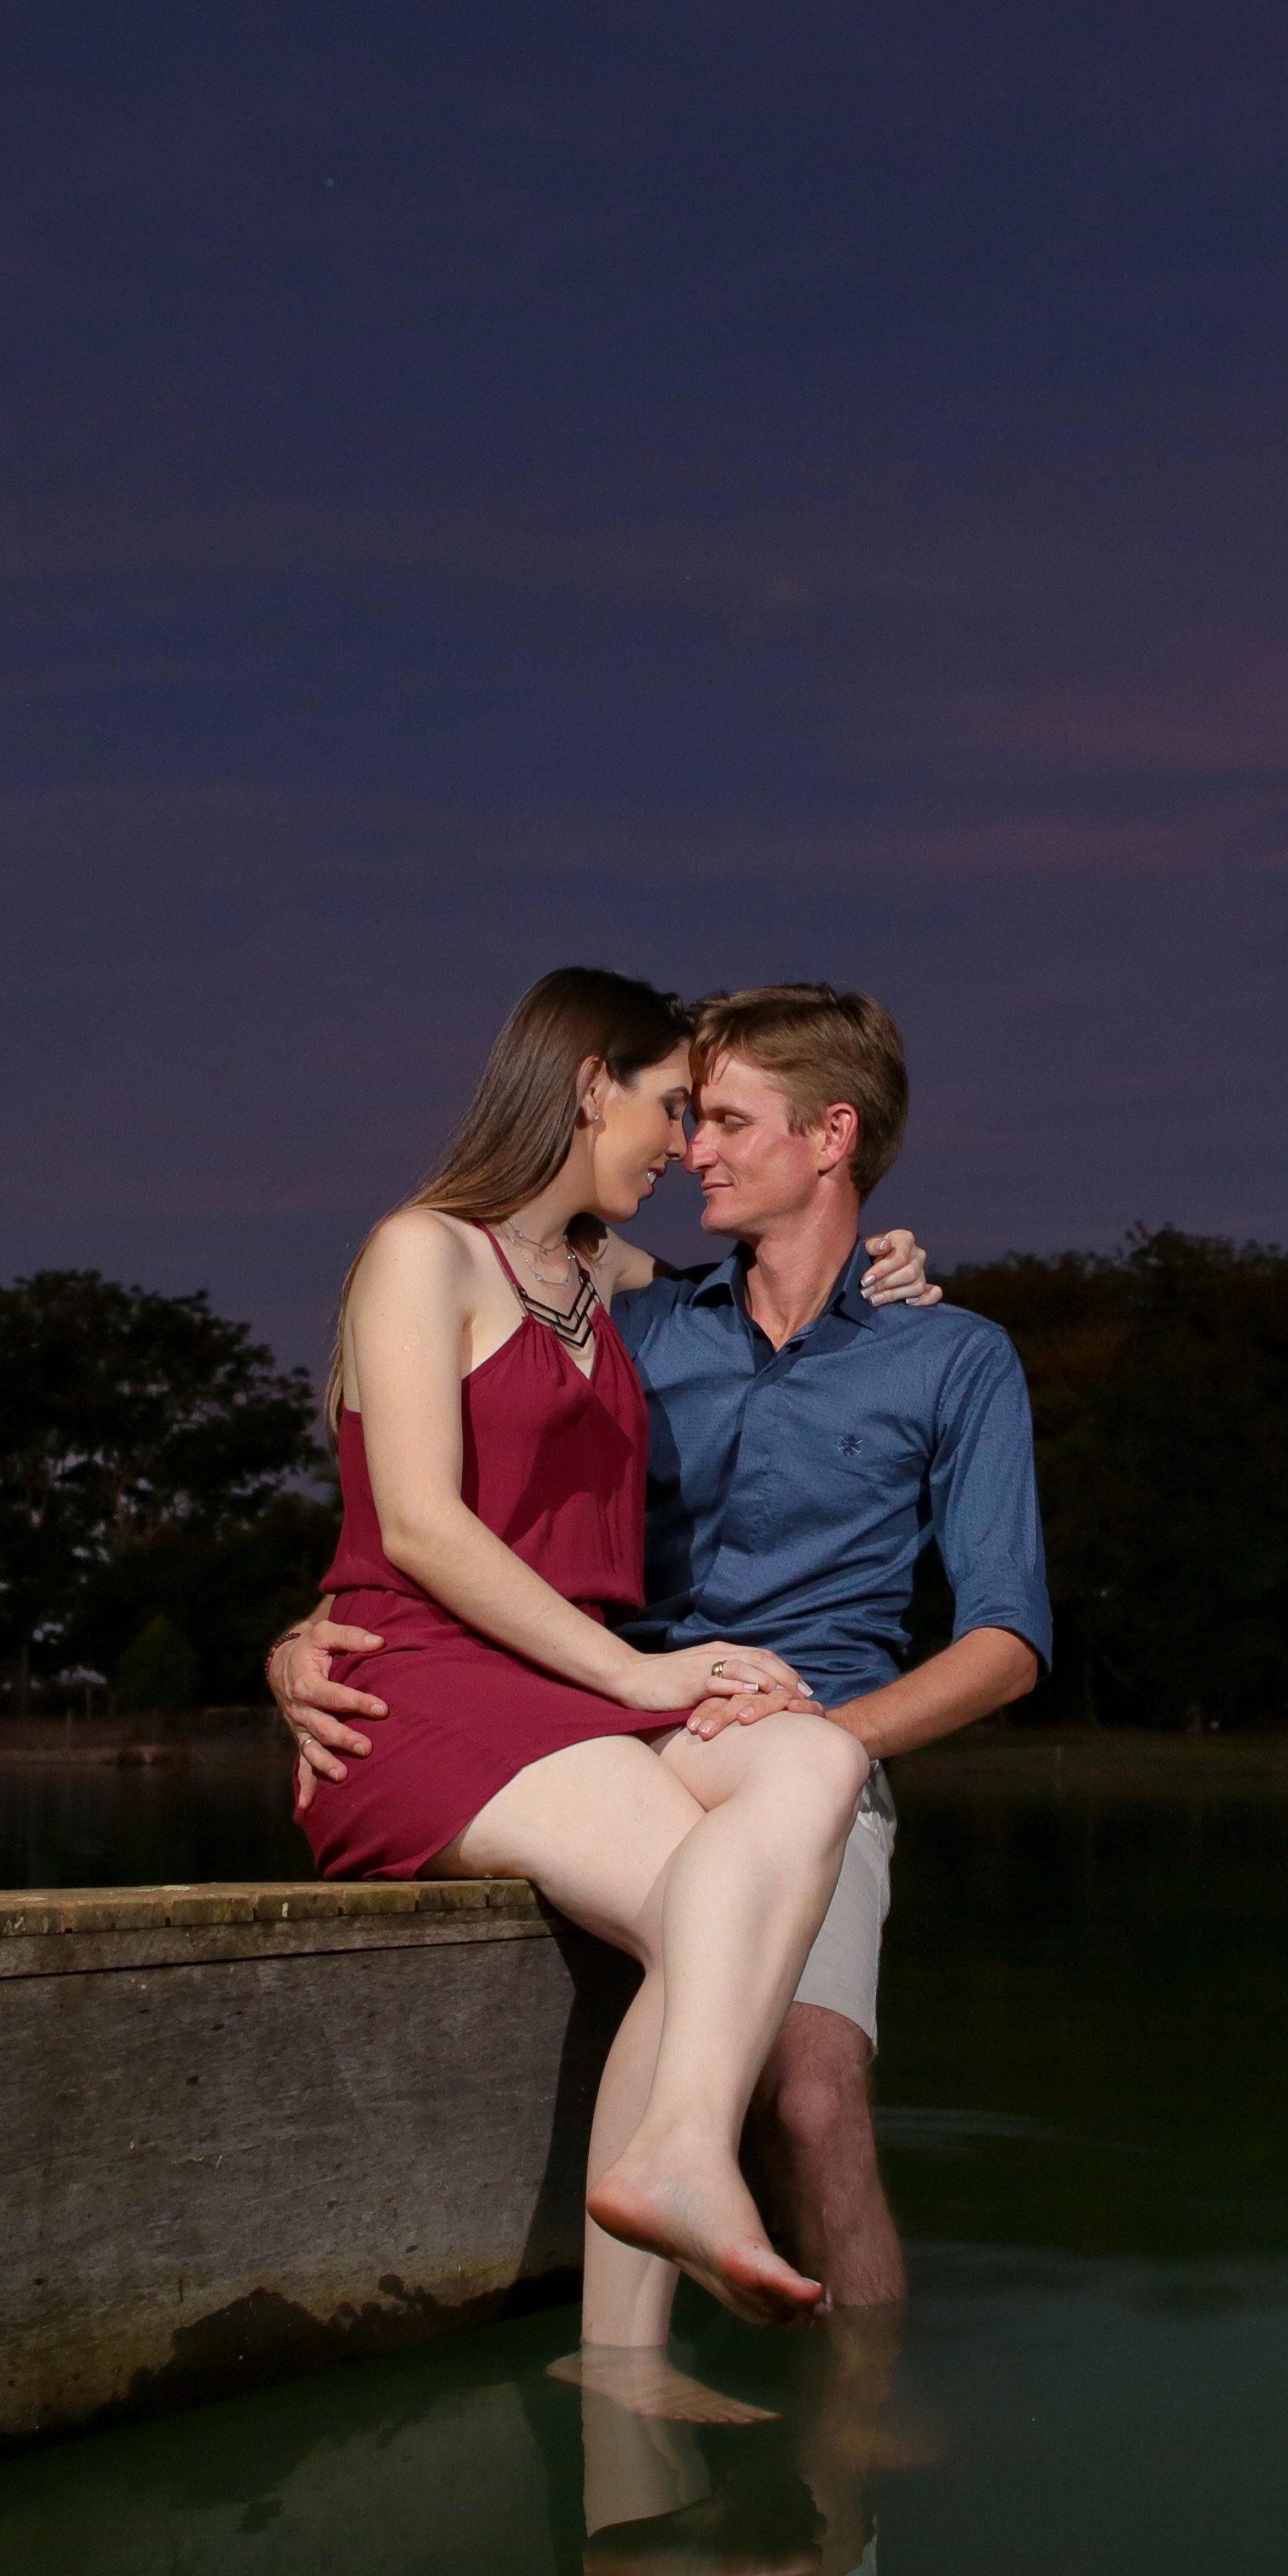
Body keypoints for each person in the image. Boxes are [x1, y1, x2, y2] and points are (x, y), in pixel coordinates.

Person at [279, 980, 1052, 2352]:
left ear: (831, 1136)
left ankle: (827, 2401)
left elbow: (1007, 1641)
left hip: (785, 1724)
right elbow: (434, 1502)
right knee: (715, 1940)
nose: (693, 1149)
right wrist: (297, 1636)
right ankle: (642, 2307)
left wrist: (825, 1730)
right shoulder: (628, 1308)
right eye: (684, 1114)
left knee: (809, 2065)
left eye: (726, 1121)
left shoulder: (939, 1349)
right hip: (592, 1701)